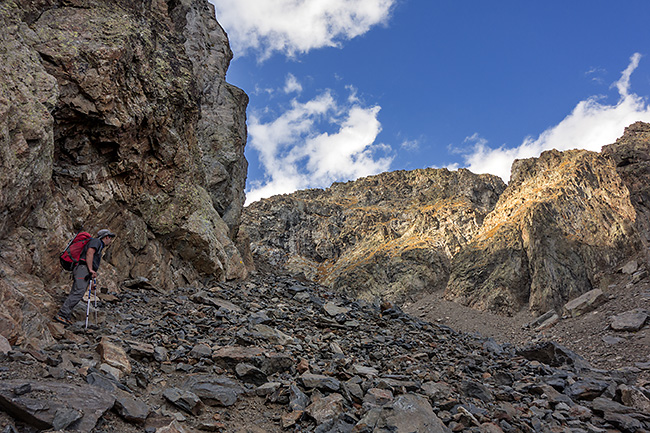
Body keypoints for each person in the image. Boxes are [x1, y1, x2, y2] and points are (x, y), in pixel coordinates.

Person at [54, 229, 116, 325]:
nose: (110, 240)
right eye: (110, 238)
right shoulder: (97, 242)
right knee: (78, 292)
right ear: (106, 237)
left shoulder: (97, 243)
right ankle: (62, 314)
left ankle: (66, 315)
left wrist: (92, 274)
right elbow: (89, 253)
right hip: (83, 269)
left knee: (76, 291)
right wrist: (91, 269)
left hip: (82, 269)